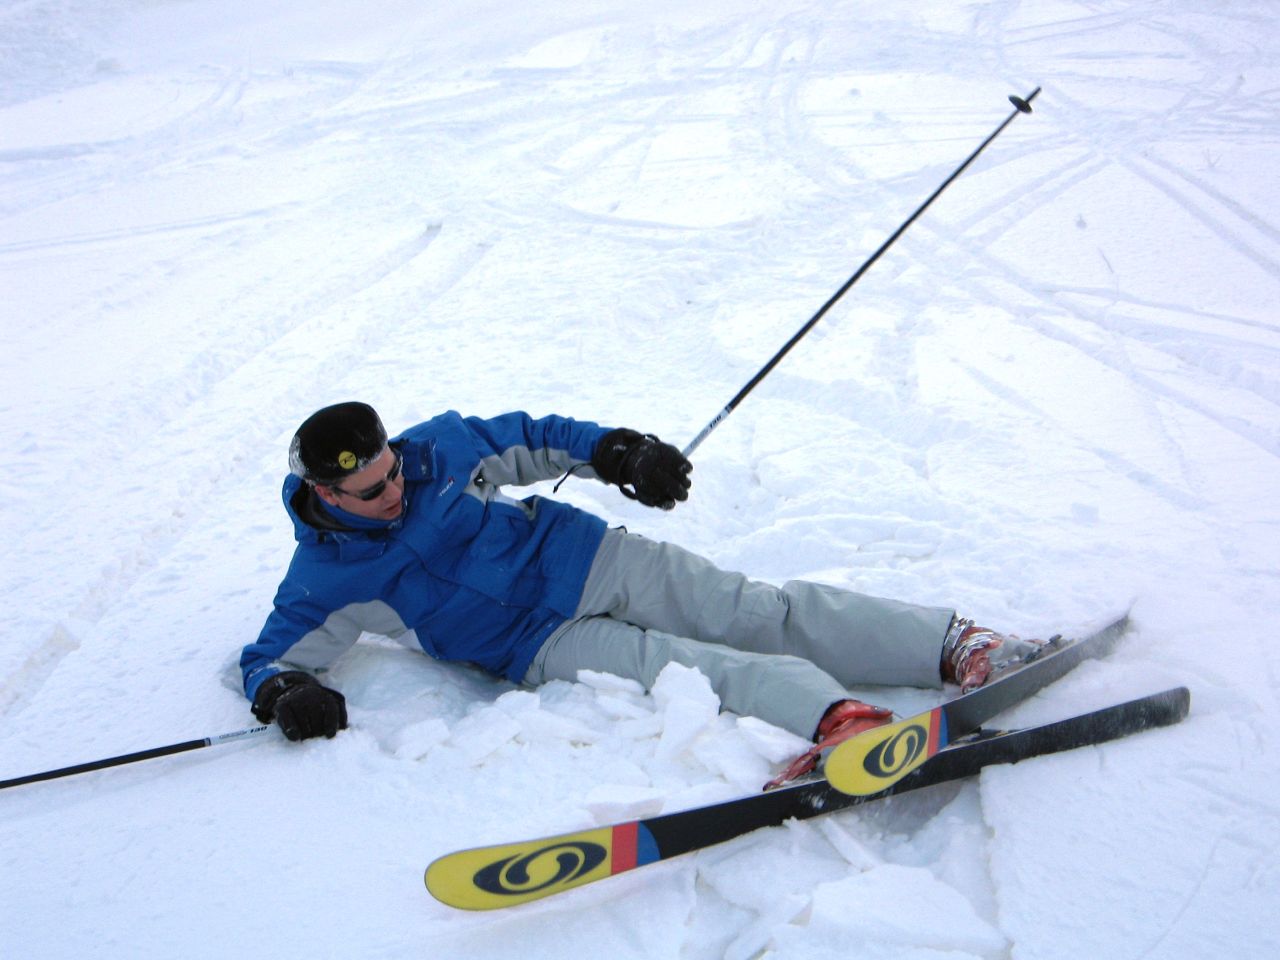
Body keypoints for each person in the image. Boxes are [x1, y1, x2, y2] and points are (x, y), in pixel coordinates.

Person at [240, 402, 1042, 784]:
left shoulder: (437, 452)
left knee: (754, 612)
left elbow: (537, 437)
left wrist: (620, 454)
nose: (392, 492)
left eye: (390, 472)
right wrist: (283, 692)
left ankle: (953, 645)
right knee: (688, 668)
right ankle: (841, 721)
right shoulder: (325, 577)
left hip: (586, 558)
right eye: (370, 492)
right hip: (534, 645)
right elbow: (269, 655)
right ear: (322, 493)